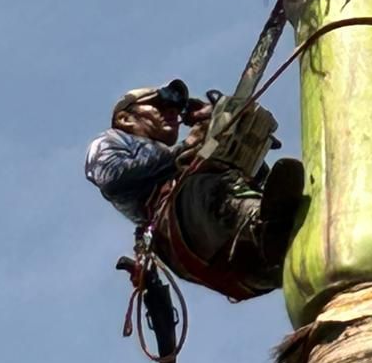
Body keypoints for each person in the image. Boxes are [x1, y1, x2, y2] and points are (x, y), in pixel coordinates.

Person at [85, 79, 304, 299]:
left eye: (175, 109)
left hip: (234, 259)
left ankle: (281, 231)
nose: (171, 113)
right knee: (203, 184)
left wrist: (229, 129)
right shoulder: (109, 142)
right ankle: (261, 225)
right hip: (184, 232)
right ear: (125, 118)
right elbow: (113, 176)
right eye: (159, 106)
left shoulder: (176, 164)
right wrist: (187, 148)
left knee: (225, 173)